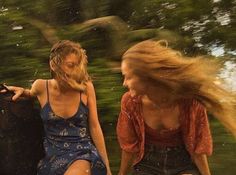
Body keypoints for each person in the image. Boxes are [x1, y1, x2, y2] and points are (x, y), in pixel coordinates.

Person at [116, 39, 236, 175]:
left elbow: (198, 148)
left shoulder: (189, 101)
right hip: (147, 165)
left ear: (145, 76)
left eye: (128, 77)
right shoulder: (130, 102)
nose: (124, 83)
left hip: (183, 164)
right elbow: (129, 148)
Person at [1, 40, 112, 175]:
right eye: (70, 65)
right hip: (52, 157)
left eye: (78, 65)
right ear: (53, 65)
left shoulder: (86, 87)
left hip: (82, 154)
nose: (76, 71)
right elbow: (31, 93)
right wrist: (22, 92)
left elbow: (95, 126)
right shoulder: (41, 87)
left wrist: (107, 167)